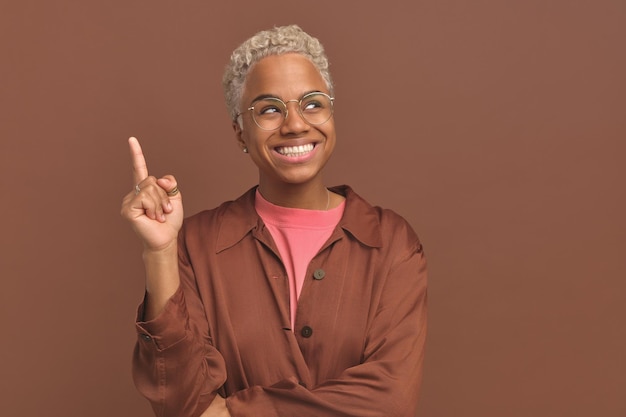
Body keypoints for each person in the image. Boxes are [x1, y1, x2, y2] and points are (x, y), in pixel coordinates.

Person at [121, 24, 427, 417]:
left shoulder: (392, 243)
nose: (296, 124)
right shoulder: (195, 245)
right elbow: (180, 401)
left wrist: (233, 413)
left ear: (333, 113)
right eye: (269, 109)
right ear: (240, 133)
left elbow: (391, 400)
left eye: (313, 103)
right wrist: (160, 251)